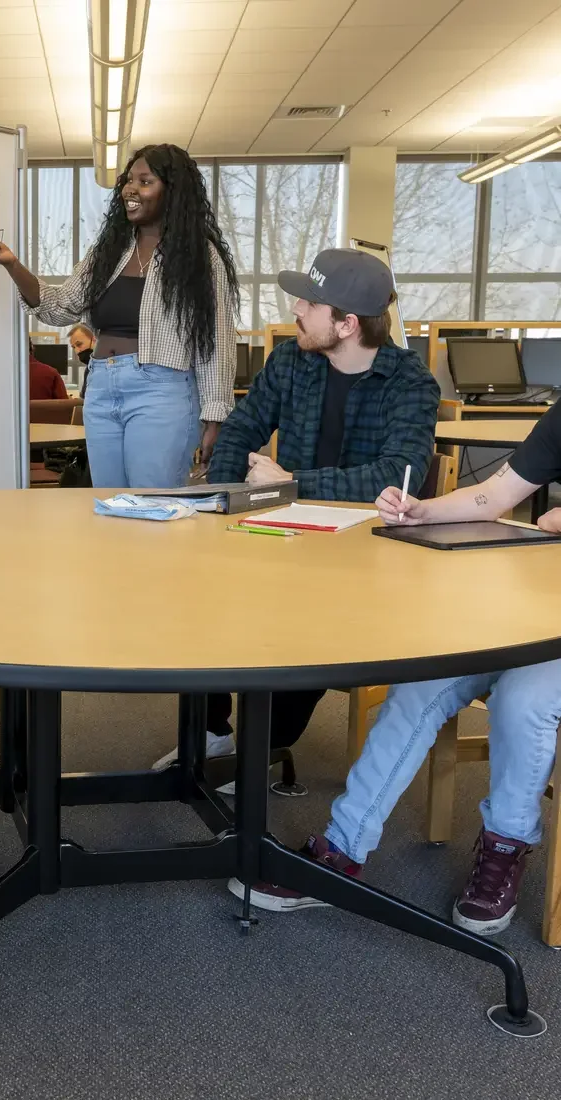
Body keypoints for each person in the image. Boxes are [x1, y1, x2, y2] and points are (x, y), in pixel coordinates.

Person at [234, 417, 561, 932]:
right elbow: (495, 496)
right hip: (533, 601)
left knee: (524, 702)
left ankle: (505, 847)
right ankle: (343, 849)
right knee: (420, 685)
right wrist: (421, 511)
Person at [154, 249, 439, 772]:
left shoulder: (411, 385)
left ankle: (261, 751)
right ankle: (213, 732)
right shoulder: (292, 360)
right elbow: (242, 428)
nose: (295, 311)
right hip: (284, 535)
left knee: (299, 629)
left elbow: (398, 477)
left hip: (360, 561)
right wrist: (220, 499)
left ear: (347, 323)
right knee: (194, 591)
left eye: (308, 303)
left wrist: (293, 483)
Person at [0, 143, 239, 489]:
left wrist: (216, 416)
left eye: (145, 182)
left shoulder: (201, 257)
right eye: (129, 180)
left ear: (173, 192)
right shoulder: (110, 251)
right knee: (109, 506)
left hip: (161, 391)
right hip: (100, 387)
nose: (131, 189)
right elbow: (61, 305)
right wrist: (11, 264)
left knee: (152, 508)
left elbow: (216, 340)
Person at [68, 323, 96, 396]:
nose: (77, 351)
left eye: (79, 344)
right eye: (74, 347)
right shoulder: (89, 368)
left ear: (94, 339)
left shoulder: (111, 367)